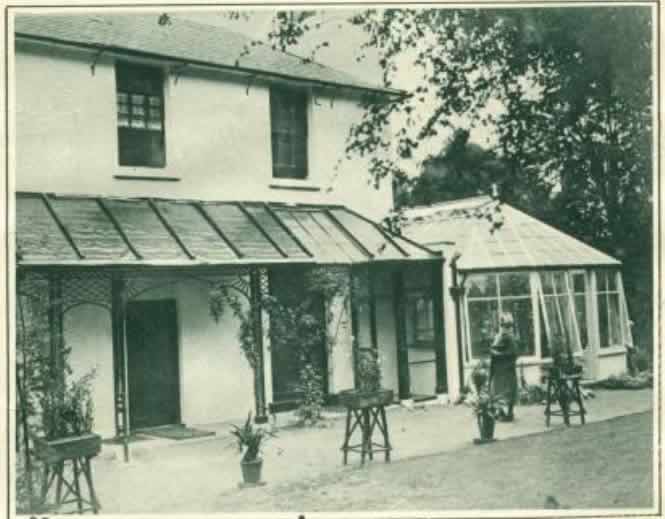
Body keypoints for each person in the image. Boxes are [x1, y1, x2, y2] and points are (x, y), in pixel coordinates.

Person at [489, 312, 520, 421]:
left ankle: (508, 413)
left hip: (506, 368)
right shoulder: (501, 336)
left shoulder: (509, 337)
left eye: (507, 326)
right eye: (503, 326)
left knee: (507, 391)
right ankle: (503, 412)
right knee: (501, 391)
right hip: (500, 368)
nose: (505, 328)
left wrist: (497, 354)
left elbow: (514, 352)